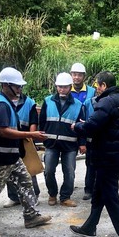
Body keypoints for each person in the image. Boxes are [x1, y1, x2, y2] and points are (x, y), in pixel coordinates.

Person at [0, 67, 51, 237]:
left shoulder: (6, 101)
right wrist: (31, 135)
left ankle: (31, 216)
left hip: (11, 156)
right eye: (17, 86)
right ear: (6, 85)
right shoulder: (1, 105)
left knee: (25, 181)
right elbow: (4, 132)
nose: (20, 89)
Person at [69, 71, 119, 237]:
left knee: (109, 195)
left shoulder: (106, 102)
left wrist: (77, 126)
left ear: (104, 86)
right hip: (118, 154)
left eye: (98, 86)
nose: (96, 89)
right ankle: (89, 228)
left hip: (108, 157)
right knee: (99, 191)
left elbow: (92, 126)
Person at [39, 72, 86, 207]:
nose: (62, 89)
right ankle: (52, 194)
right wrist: (41, 136)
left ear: (70, 87)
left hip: (70, 145)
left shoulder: (78, 105)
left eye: (65, 87)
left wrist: (82, 143)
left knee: (70, 172)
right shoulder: (48, 101)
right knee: (48, 170)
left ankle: (65, 197)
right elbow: (42, 121)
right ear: (56, 86)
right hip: (51, 143)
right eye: (59, 87)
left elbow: (81, 125)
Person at [3, 90, 41, 208]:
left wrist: (30, 136)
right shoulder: (2, 101)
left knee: (29, 167)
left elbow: (33, 120)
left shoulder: (29, 102)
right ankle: (14, 197)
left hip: (25, 139)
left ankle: (33, 195)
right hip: (8, 139)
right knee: (10, 168)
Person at [70, 62, 96, 200]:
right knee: (69, 163)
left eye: (79, 75)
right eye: (74, 74)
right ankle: (68, 186)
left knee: (90, 163)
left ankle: (88, 189)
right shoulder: (67, 89)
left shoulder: (92, 92)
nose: (76, 77)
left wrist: (84, 140)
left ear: (84, 76)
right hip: (70, 131)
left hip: (86, 130)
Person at [81, 85, 98, 201]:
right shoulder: (87, 103)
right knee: (90, 165)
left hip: (104, 140)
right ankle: (88, 189)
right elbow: (81, 123)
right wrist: (82, 142)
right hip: (90, 140)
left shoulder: (110, 103)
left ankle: (99, 189)